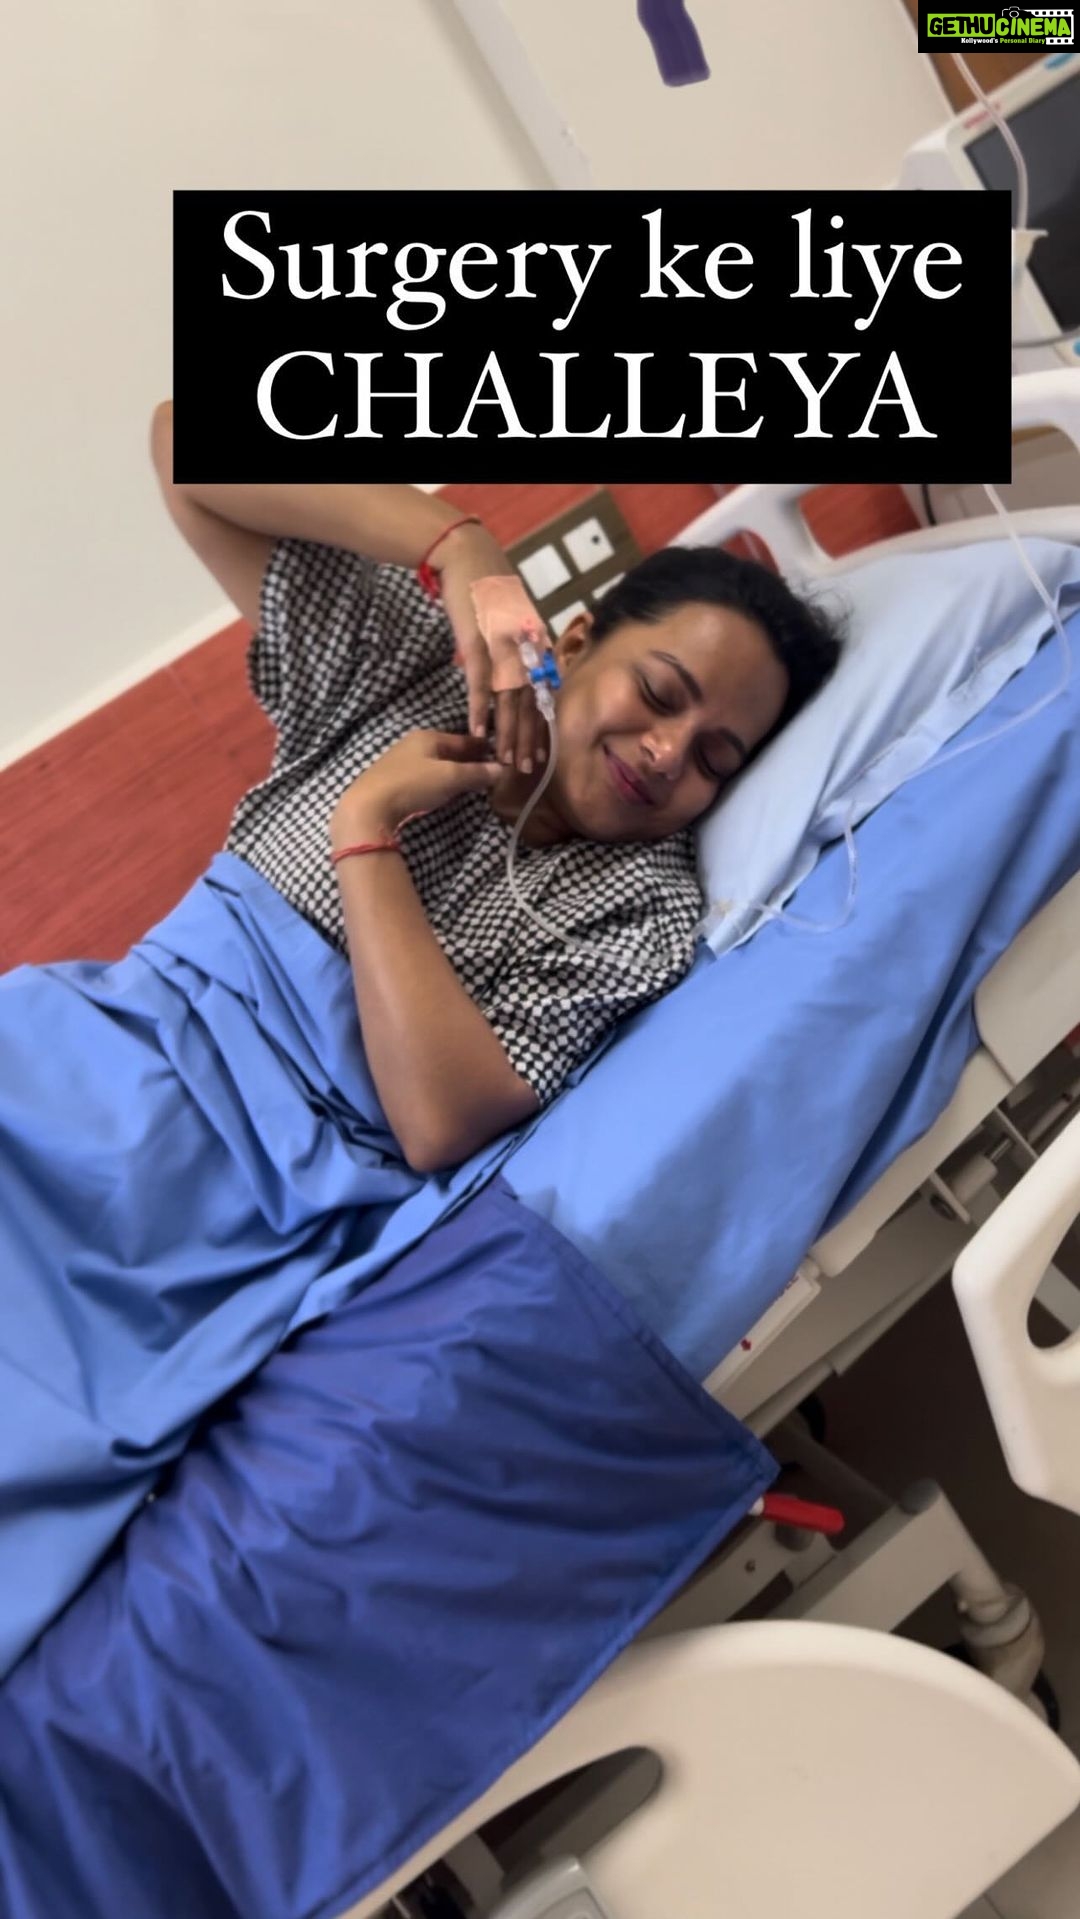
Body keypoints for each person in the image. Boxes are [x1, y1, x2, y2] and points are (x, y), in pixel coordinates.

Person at [151, 400, 843, 1172]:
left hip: (234, 1180)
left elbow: (442, 1121)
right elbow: (181, 434)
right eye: (656, 693)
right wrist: (456, 542)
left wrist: (367, 832)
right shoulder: (405, 670)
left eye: (714, 759)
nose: (666, 753)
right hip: (99, 1044)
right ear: (574, 644)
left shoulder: (642, 907)